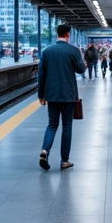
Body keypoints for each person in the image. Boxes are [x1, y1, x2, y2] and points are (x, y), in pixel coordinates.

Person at [37, 23, 86, 171]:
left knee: (52, 124)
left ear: (57, 34)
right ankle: (64, 160)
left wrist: (41, 94)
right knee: (67, 126)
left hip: (51, 94)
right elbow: (81, 69)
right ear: (68, 34)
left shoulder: (46, 51)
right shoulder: (73, 50)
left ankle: (45, 150)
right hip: (68, 95)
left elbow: (41, 75)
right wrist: (81, 59)